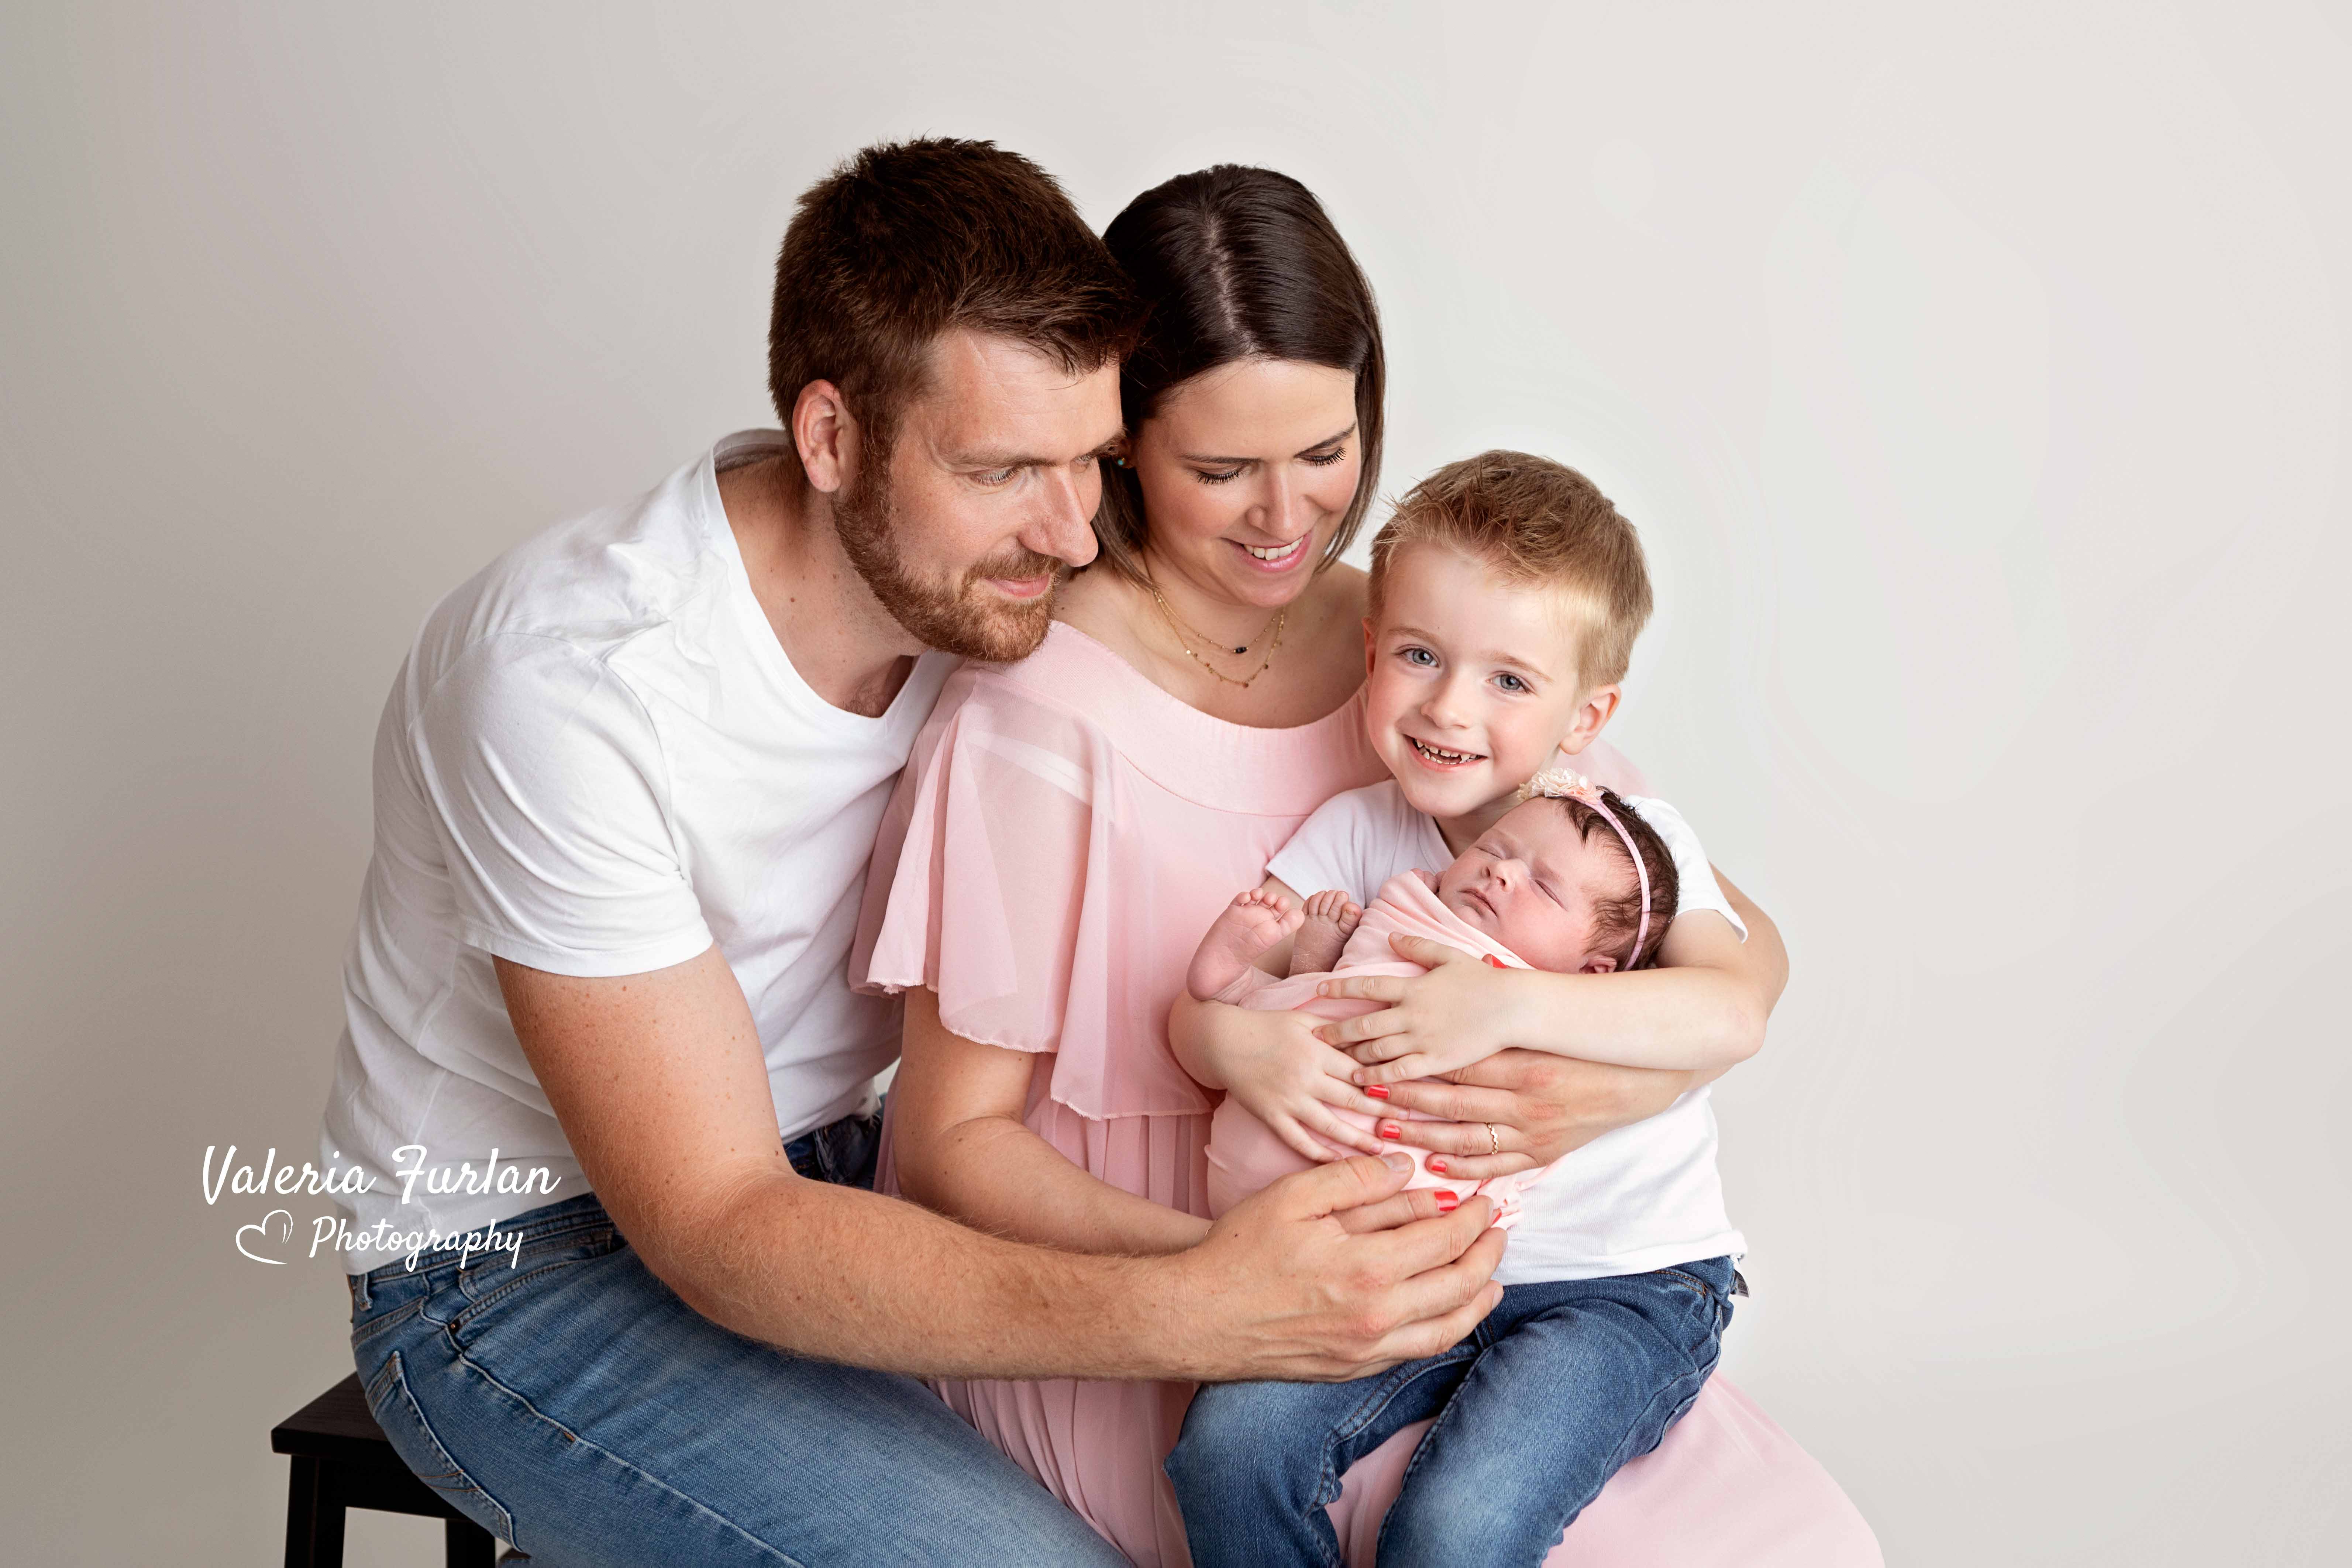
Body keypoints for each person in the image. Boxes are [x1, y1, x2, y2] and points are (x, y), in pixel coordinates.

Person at [316, 139, 1512, 1568]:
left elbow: (1527, 757)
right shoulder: (573, 683)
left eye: (1089, 463)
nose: (1073, 536)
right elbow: (715, 1221)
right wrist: (1206, 1297)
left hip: (849, 1173)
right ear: (831, 438)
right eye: (1003, 470)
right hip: (522, 1268)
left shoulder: (988, 586)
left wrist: (1644, 1021)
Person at [861, 168, 1879, 1565]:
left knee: (1792, 1543)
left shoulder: (1434, 636)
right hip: (1154, 1293)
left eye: (1326, 450)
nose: (1286, 515)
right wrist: (1231, 1279)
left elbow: (1720, 946)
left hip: (1492, 1265)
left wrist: (1580, 1090)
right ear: (1121, 448)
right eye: (1221, 470)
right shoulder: (1039, 715)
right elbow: (947, 1145)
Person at [1167, 456, 1754, 1566]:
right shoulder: (1354, 834)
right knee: (1226, 1453)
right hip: (1415, 1263)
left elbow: (1731, 1016)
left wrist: (1503, 1004)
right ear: (1371, 649)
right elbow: (1212, 1004)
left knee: (1459, 1524)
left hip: (1618, 1281)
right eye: (1421, 656)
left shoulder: (1635, 848)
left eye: (1510, 680)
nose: (1448, 707)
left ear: (1589, 714)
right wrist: (1233, 1041)